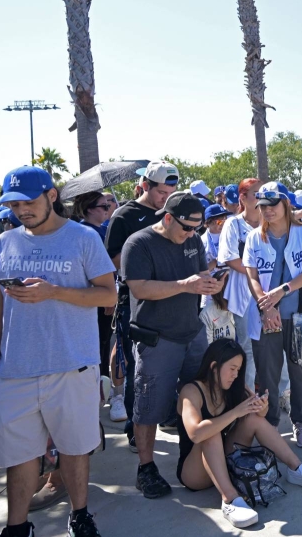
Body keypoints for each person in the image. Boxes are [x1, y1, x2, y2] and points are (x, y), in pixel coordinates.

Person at [0, 167, 117, 537]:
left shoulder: (83, 238)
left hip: (71, 367)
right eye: (14, 204)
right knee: (20, 456)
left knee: (75, 449)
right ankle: (17, 526)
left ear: (51, 195)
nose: (21, 210)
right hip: (15, 371)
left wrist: (54, 291)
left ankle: (80, 515)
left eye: (29, 201)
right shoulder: (1, 245)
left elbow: (108, 295)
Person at [122, 191, 225, 499]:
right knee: (149, 404)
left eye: (197, 228)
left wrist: (211, 280)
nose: (192, 234)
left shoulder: (192, 240)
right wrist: (187, 285)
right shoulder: (138, 244)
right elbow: (139, 288)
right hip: (157, 339)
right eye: (187, 228)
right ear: (167, 218)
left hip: (191, 331)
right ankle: (146, 467)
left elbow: (199, 273)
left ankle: (193, 457)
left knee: (201, 396)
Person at [177, 339, 302, 530]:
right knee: (209, 432)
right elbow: (195, 433)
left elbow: (257, 415)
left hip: (222, 460)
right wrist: (236, 412)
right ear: (214, 366)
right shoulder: (191, 391)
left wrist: (262, 407)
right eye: (232, 369)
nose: (236, 375)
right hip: (194, 472)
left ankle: (297, 469)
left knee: (253, 420)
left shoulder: (234, 385)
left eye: (239, 369)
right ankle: (230, 500)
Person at [104, 160, 181, 450]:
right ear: (146, 186)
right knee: (139, 367)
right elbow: (109, 259)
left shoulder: (173, 212)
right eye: (162, 192)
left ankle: (165, 414)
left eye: (171, 191)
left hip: (172, 298)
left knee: (171, 363)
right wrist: (143, 252)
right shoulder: (125, 215)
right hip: (136, 304)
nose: (166, 197)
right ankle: (135, 428)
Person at [243, 183, 302, 448]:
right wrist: (267, 306)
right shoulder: (255, 237)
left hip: (299, 316)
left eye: (272, 205)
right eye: (262, 206)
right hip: (267, 318)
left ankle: (301, 422)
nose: (267, 211)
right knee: (268, 376)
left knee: (300, 373)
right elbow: (251, 276)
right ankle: (271, 425)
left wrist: (281, 290)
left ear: (286, 204)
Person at [217, 177, 261, 390]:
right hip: (243, 294)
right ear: (242, 197)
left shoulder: (270, 221)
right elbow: (230, 258)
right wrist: (258, 274)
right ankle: (247, 394)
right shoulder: (233, 223)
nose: (261, 198)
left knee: (274, 345)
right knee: (247, 347)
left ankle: (282, 391)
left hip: (270, 292)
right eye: (256, 193)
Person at [202, 204, 230, 269]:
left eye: (225, 220)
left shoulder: (231, 235)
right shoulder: (201, 241)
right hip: (212, 277)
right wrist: (217, 261)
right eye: (219, 222)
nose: (223, 224)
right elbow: (200, 271)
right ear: (209, 222)